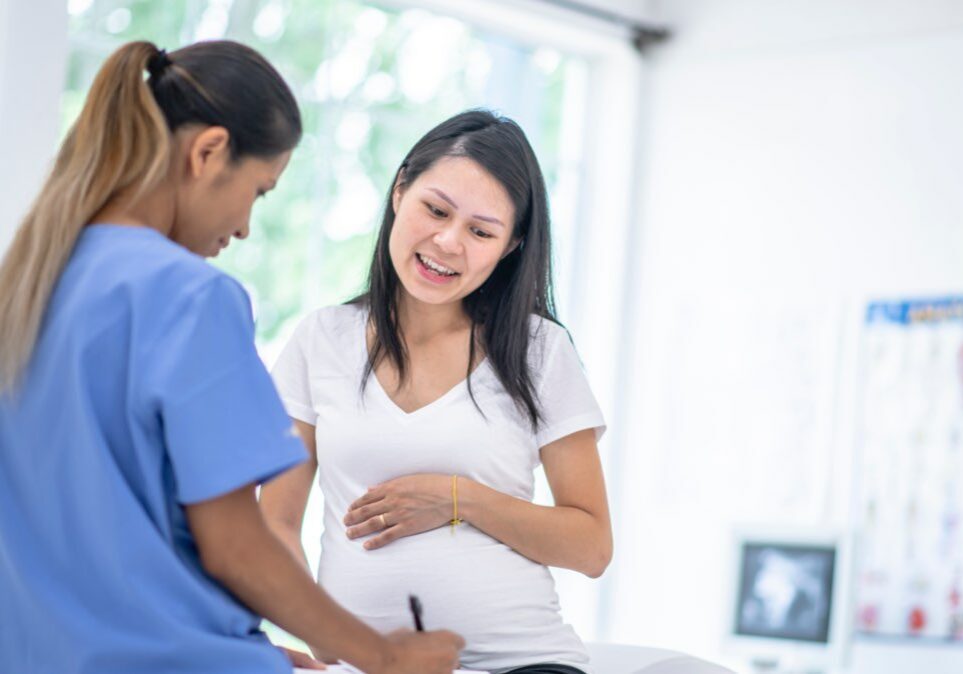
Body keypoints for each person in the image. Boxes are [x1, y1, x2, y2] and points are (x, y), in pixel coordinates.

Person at [0, 40, 462, 674]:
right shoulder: (189, 295)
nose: (246, 226)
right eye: (260, 190)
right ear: (209, 152)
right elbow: (236, 548)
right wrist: (382, 656)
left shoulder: (29, 282)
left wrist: (238, 644)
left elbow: (83, 545)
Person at [261, 110, 613, 674]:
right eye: (436, 210)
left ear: (512, 245)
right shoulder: (322, 339)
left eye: (481, 231)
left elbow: (592, 547)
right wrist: (317, 627)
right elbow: (275, 520)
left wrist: (458, 499)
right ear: (400, 190)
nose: (448, 242)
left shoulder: (538, 350)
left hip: (521, 664)